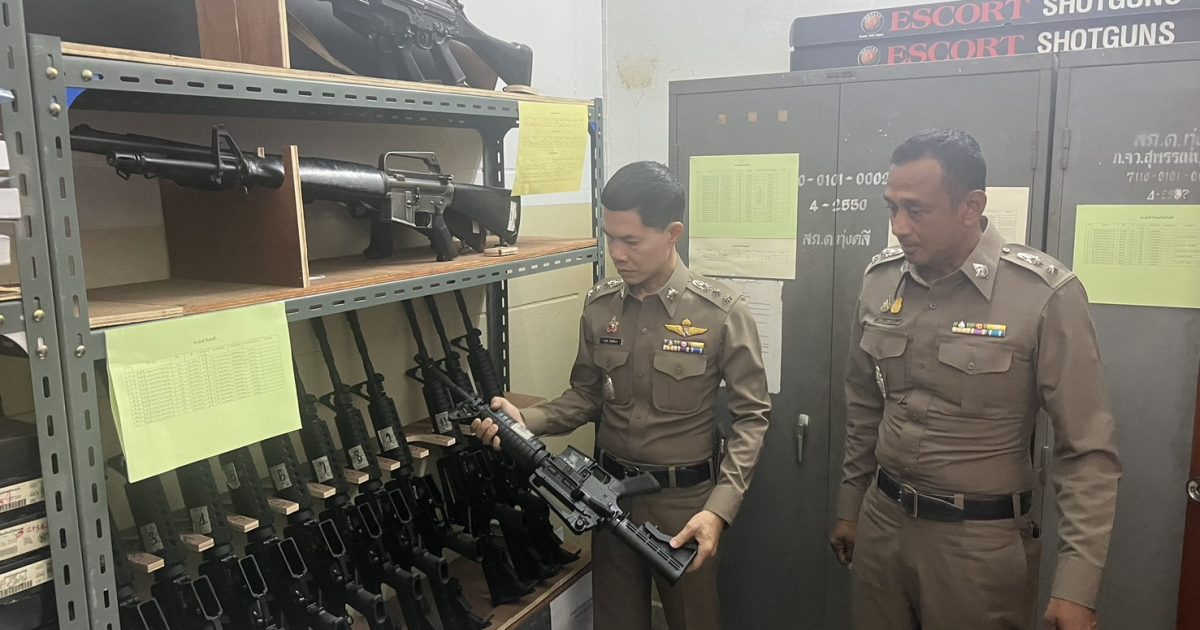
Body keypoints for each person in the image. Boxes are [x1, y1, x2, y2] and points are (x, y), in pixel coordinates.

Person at [829, 129, 1121, 630]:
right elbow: (864, 404)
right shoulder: (880, 281)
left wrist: (1077, 586)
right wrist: (851, 506)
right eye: (892, 208)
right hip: (883, 524)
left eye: (916, 210)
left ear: (971, 206)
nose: (898, 227)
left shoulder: (1042, 295)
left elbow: (1087, 450)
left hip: (977, 547)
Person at [472, 161, 770, 630]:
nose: (617, 253)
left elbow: (751, 419)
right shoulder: (600, 305)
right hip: (606, 497)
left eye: (631, 241)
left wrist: (719, 510)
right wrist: (527, 420)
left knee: (693, 620)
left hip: (684, 505)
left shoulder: (720, 313)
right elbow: (586, 396)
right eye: (610, 238)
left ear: (672, 234)